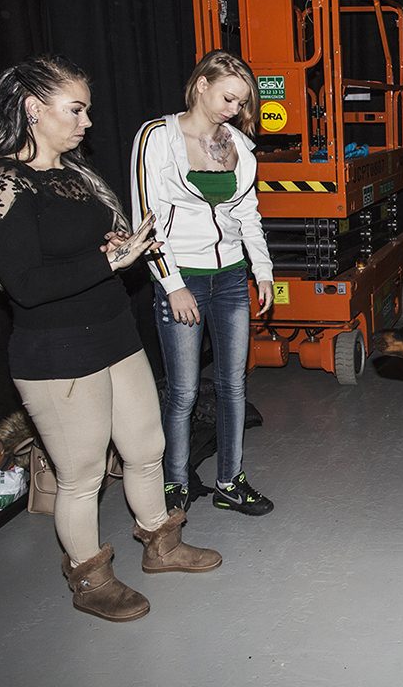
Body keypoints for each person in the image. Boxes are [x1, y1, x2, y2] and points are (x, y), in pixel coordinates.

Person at [0, 54, 221, 623]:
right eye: (76, 110)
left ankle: (161, 544)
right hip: (57, 351)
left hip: (114, 335)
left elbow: (88, 249)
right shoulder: (1, 180)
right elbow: (27, 284)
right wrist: (111, 260)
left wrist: (120, 246)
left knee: (146, 448)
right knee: (81, 476)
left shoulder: (76, 175)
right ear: (33, 109)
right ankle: (90, 579)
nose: (87, 123)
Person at [130, 50, 274, 516]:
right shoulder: (157, 137)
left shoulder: (239, 145)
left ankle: (231, 482)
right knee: (184, 392)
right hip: (182, 277)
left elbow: (247, 212)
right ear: (201, 85)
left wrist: (263, 270)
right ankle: (173, 483)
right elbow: (146, 219)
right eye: (228, 98)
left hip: (230, 277)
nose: (235, 109)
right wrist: (172, 284)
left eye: (242, 102)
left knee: (234, 385)